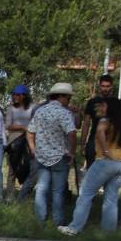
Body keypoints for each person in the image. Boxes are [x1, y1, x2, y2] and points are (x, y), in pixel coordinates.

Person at [58, 97, 121, 235]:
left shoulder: (105, 121)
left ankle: (74, 228)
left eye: (103, 105)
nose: (100, 108)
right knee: (111, 198)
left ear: (109, 107)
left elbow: (100, 132)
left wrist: (105, 151)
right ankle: (109, 232)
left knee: (85, 193)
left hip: (105, 161)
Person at [26, 83, 77, 225]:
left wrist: (33, 149)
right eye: (68, 98)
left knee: (41, 189)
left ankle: (40, 219)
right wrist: (72, 152)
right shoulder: (64, 113)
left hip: (42, 156)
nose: (69, 101)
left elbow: (30, 132)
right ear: (62, 97)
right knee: (58, 191)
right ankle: (58, 221)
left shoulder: (40, 111)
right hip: (60, 157)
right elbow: (72, 134)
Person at [3, 85, 33, 194]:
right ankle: (10, 194)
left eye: (17, 95)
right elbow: (8, 125)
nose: (15, 97)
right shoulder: (11, 109)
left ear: (24, 96)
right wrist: (23, 127)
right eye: (14, 95)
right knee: (13, 168)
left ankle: (25, 193)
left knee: (29, 166)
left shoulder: (32, 108)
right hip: (14, 141)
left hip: (29, 141)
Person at [81, 74, 114, 168]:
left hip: (110, 142)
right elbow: (86, 124)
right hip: (94, 141)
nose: (105, 89)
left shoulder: (116, 103)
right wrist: (83, 143)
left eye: (107, 86)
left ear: (111, 87)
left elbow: (120, 124)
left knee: (108, 171)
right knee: (91, 170)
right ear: (99, 86)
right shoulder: (92, 102)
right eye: (103, 86)